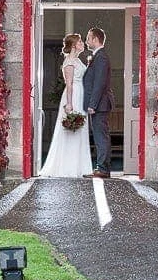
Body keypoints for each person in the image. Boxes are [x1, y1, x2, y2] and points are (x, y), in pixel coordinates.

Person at [37, 33, 93, 178]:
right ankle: (69, 166)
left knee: (80, 129)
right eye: (80, 42)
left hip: (80, 94)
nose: (82, 44)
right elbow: (69, 84)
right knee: (72, 128)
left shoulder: (78, 60)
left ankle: (80, 166)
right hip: (73, 95)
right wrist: (69, 103)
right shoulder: (69, 62)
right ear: (74, 45)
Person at [81, 26, 114, 178]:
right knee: (100, 135)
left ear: (95, 39)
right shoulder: (97, 56)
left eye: (88, 38)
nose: (86, 40)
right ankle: (101, 167)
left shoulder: (101, 57)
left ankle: (103, 169)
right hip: (99, 104)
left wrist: (92, 104)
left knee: (101, 136)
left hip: (99, 105)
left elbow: (99, 84)